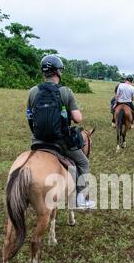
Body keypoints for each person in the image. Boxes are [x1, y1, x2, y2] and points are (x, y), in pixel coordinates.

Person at [27, 55, 95, 209]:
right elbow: (78, 119)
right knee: (84, 162)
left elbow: (30, 116)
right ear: (58, 71)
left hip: (38, 141)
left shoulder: (33, 91)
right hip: (60, 141)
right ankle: (81, 199)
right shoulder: (65, 91)